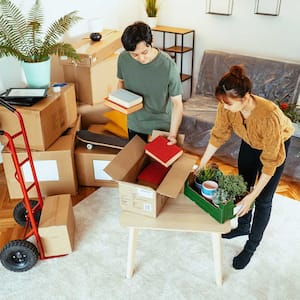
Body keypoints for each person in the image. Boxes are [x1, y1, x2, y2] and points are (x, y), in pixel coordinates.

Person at [195, 65, 294, 269]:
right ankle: (242, 227)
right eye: (223, 102)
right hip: (250, 142)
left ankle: (251, 246)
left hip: (276, 145)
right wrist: (201, 164)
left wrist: (253, 197)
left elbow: (269, 163)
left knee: (263, 199)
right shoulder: (226, 105)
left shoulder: (269, 115)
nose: (225, 107)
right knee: (243, 186)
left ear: (246, 97)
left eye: (229, 103)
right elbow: (219, 134)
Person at [117, 21, 183, 145]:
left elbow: (177, 103)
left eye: (144, 52)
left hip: (161, 126)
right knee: (137, 162)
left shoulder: (167, 65)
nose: (141, 58)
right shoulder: (123, 58)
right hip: (135, 122)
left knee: (160, 164)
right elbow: (121, 82)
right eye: (134, 55)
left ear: (152, 42)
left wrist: (173, 135)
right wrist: (120, 101)